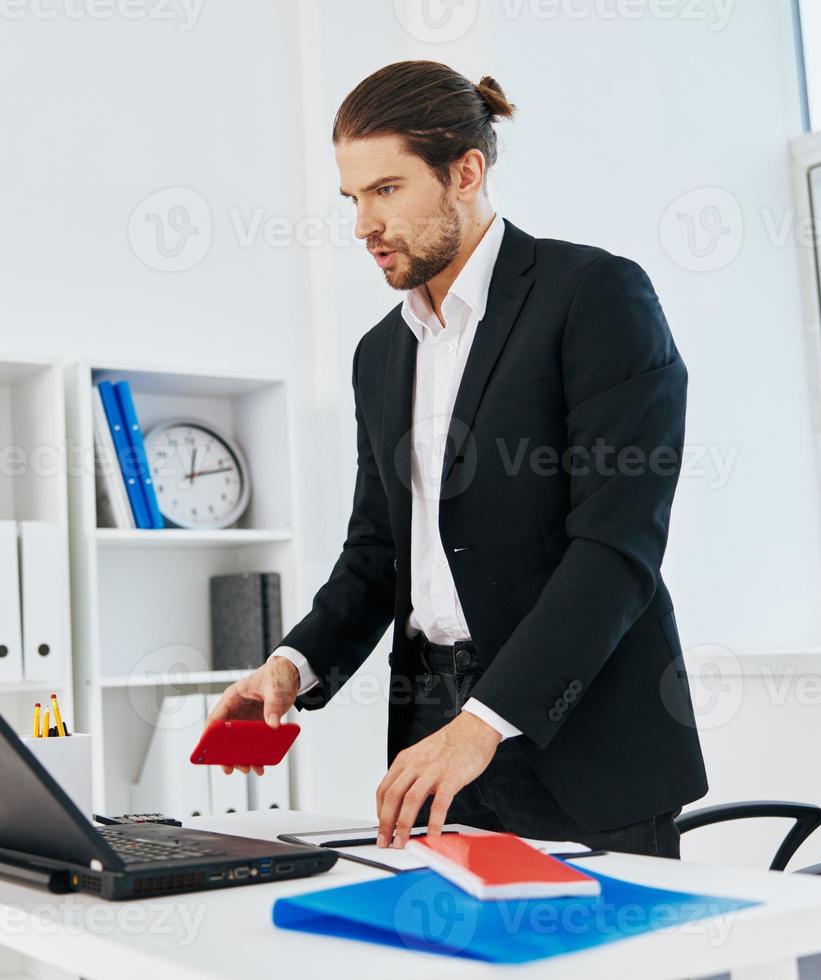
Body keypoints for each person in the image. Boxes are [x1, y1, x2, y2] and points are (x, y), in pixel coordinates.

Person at [208, 61, 706, 858]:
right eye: (353, 198)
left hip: (579, 741)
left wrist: (484, 723)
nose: (364, 224)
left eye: (387, 190)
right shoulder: (381, 353)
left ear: (465, 173)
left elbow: (616, 550)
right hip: (431, 726)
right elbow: (376, 551)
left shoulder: (595, 298)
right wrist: (293, 664)